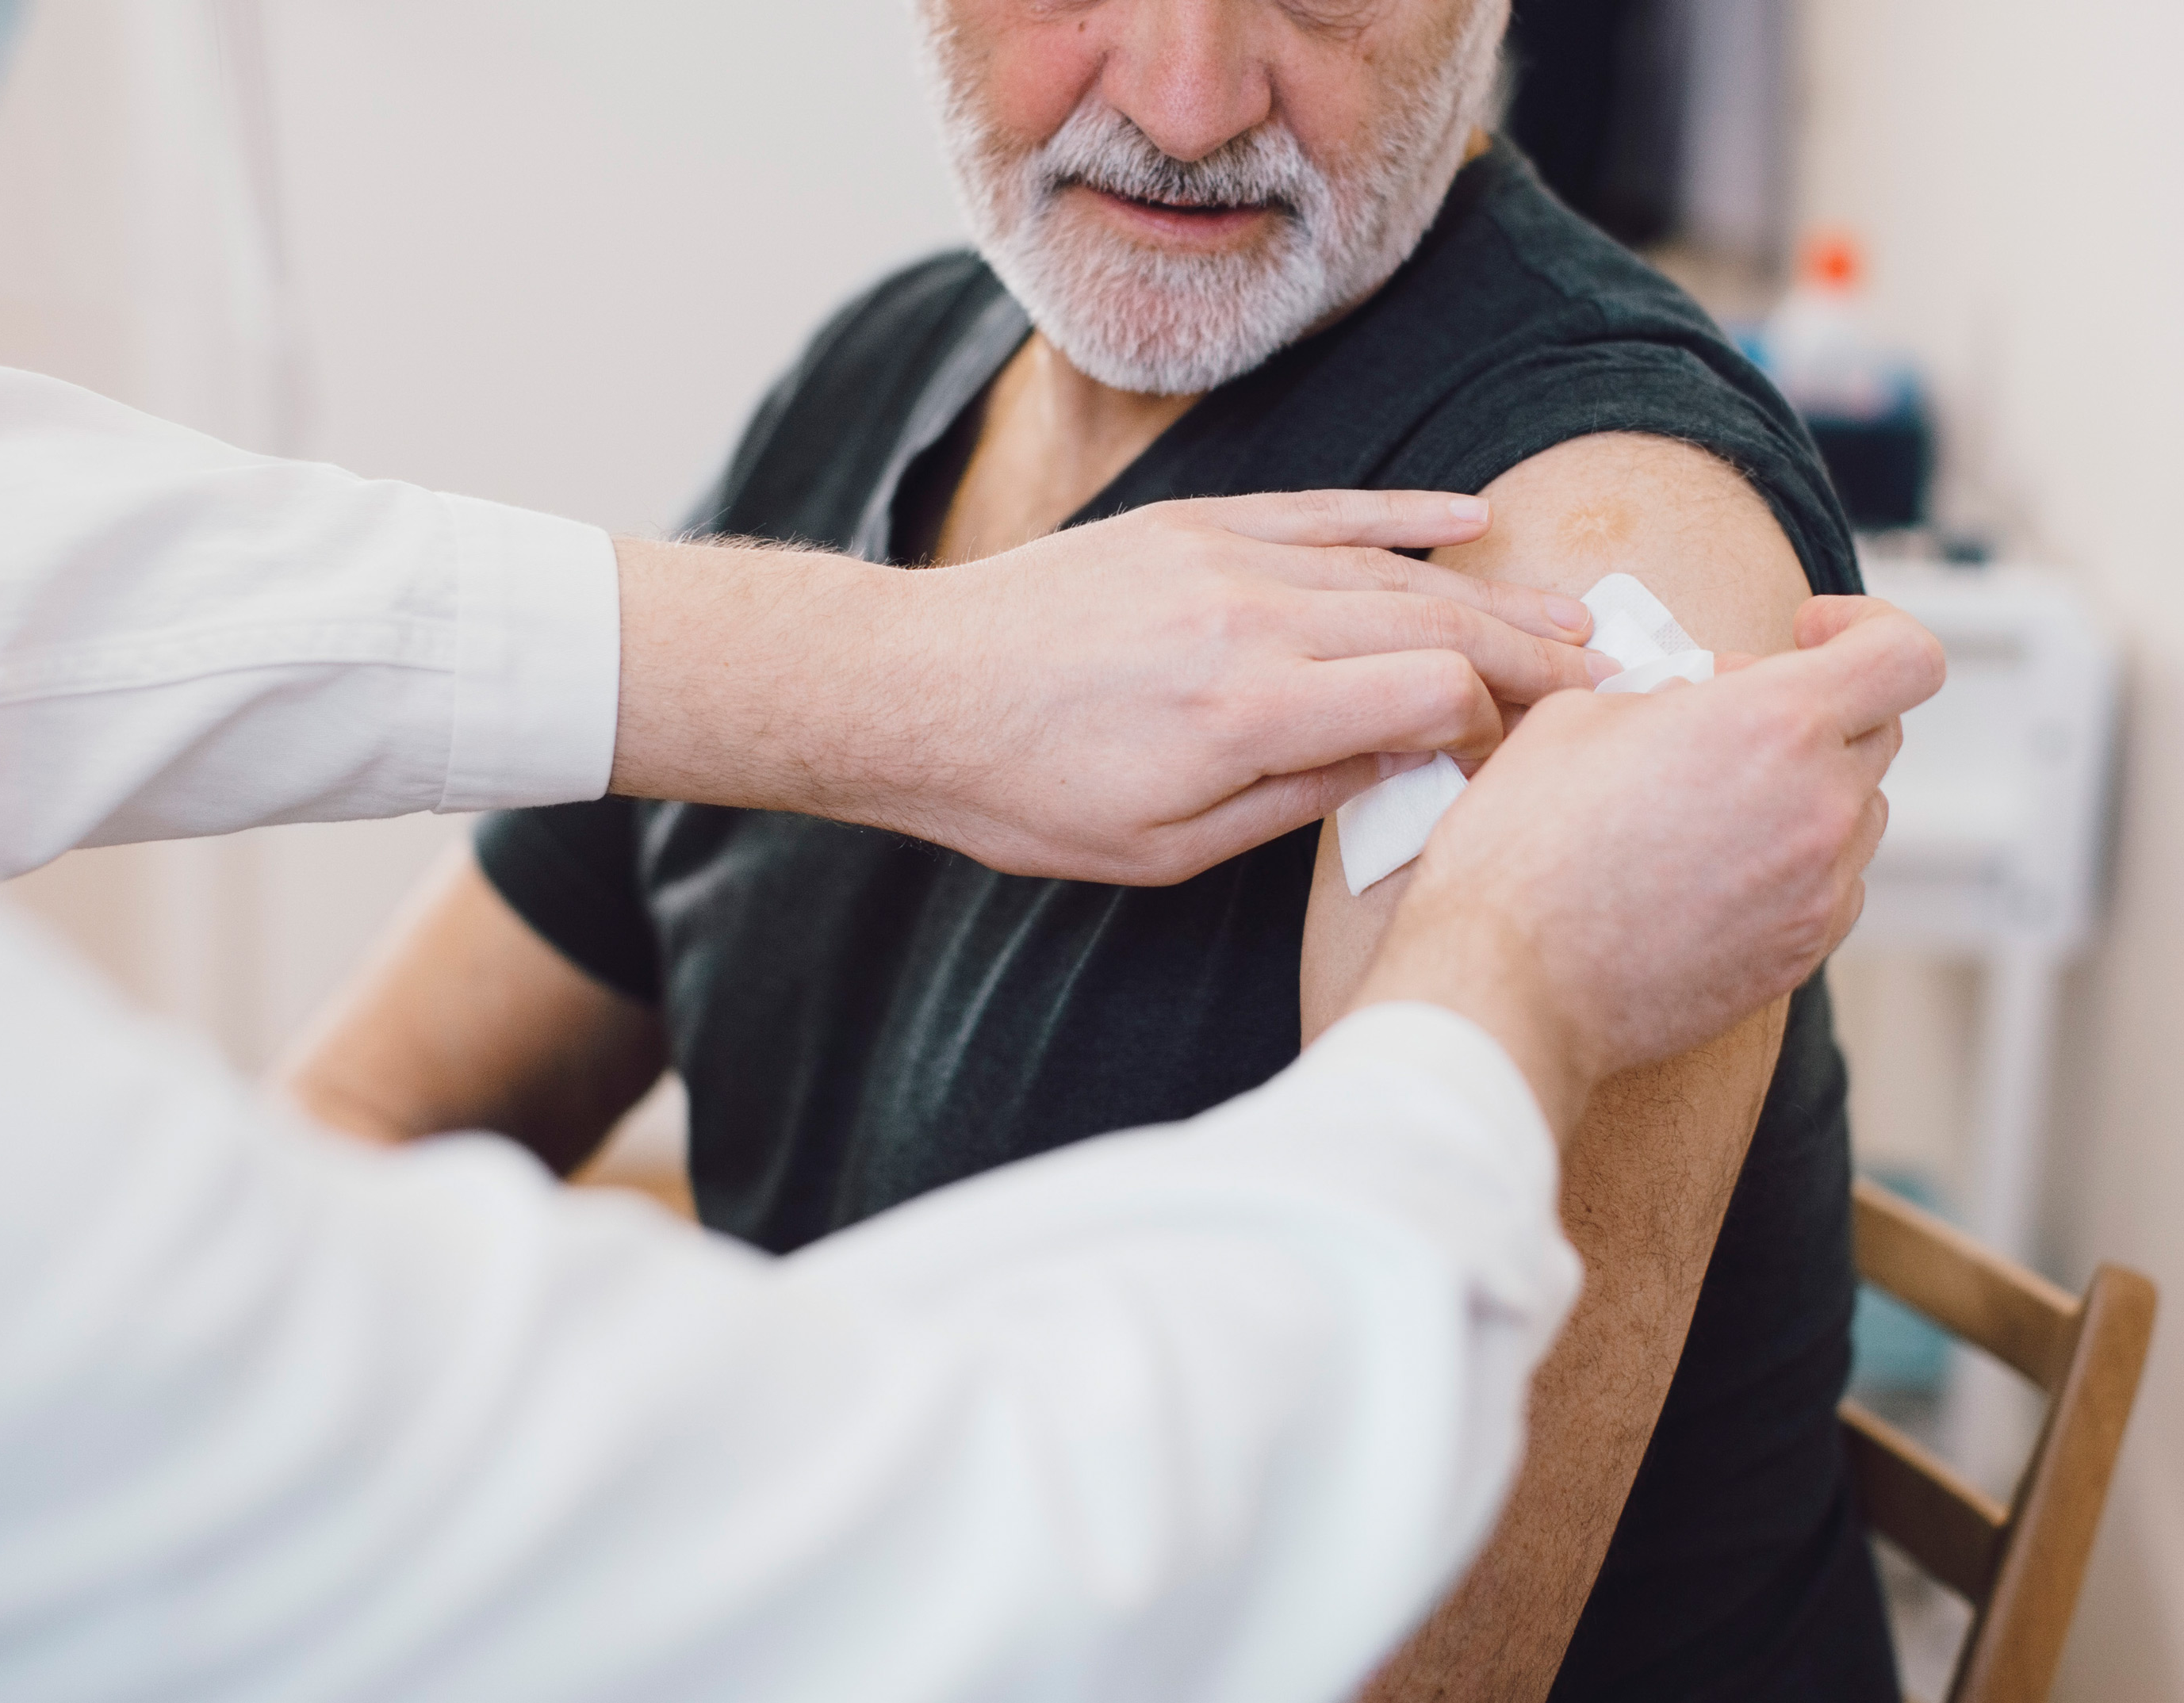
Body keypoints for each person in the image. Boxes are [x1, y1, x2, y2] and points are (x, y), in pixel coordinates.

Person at [0, 442, 1941, 1694]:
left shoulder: (1624, 516)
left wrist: (867, 674)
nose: (1184, 76)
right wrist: (1508, 975)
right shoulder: (885, 379)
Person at [284, 2, 1893, 1698]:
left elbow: (1393, 1672)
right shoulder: (886, 369)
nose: (1186, 102)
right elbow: (357, 1121)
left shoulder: (1603, 550)